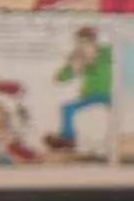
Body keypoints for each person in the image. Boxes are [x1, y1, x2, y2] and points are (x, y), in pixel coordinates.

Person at [47, 26, 112, 154]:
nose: (82, 46)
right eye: (80, 43)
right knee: (67, 108)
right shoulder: (78, 56)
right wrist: (72, 67)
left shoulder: (107, 53)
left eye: (86, 42)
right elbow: (60, 78)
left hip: (109, 95)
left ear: (94, 41)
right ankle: (68, 138)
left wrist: (92, 61)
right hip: (89, 96)